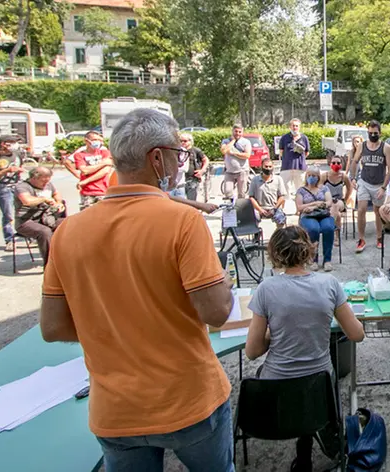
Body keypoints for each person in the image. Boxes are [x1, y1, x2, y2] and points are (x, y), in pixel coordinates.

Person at [39, 108, 235, 470]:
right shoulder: (183, 220)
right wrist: (221, 280)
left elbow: (52, 328)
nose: (181, 164)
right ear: (157, 158)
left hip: (115, 411)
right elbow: (217, 312)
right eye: (180, 155)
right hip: (188, 399)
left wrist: (116, 332)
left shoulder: (68, 231)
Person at [245, 226, 365, 471]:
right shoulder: (329, 284)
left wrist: (273, 332)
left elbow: (253, 350)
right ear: (309, 250)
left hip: (275, 390)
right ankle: (312, 442)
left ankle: (304, 455)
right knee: (310, 386)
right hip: (319, 390)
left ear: (275, 254)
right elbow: (357, 334)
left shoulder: (266, 289)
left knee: (290, 386)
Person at [350, 120, 390, 253]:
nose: (373, 135)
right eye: (370, 133)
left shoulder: (386, 148)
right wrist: (353, 177)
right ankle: (361, 239)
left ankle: (379, 237)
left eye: (375, 133)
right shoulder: (362, 146)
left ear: (380, 133)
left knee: (377, 211)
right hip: (364, 181)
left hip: (379, 183)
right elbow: (354, 161)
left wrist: (384, 187)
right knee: (361, 209)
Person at [14, 167, 66, 265]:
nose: (46, 184)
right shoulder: (22, 186)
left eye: (48, 180)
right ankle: (50, 264)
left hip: (46, 217)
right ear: (34, 178)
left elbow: (56, 193)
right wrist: (43, 199)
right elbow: (27, 201)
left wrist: (59, 202)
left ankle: (66, 258)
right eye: (43, 181)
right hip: (26, 221)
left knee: (67, 224)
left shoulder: (48, 185)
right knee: (44, 232)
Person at [296, 169, 336, 272]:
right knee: (313, 229)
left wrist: (314, 207)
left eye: (314, 175)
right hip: (308, 216)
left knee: (328, 228)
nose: (312, 177)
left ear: (318, 177)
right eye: (310, 175)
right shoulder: (301, 190)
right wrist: (315, 203)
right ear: (306, 176)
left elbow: (329, 202)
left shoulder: (324, 188)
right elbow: (299, 207)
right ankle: (313, 259)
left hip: (324, 214)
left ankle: (327, 260)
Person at [74, 131, 114, 210]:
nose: (98, 142)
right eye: (95, 139)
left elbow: (105, 171)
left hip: (103, 191)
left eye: (100, 140)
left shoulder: (105, 153)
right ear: (86, 141)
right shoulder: (79, 155)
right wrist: (103, 163)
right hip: (87, 192)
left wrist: (86, 181)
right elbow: (85, 170)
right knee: (87, 217)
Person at [0, 135, 24, 250]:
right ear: (3, 144)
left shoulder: (17, 154)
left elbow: (20, 166)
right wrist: (6, 170)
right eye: (11, 142)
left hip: (18, 185)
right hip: (4, 187)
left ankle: (29, 234)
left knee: (24, 210)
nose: (14, 145)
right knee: (8, 214)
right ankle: (9, 239)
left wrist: (19, 172)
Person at [248, 158, 287, 227]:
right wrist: (260, 209)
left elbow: (282, 196)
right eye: (266, 166)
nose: (268, 168)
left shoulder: (278, 179)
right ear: (261, 167)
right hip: (259, 208)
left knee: (281, 219)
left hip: (275, 208)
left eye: (270, 166)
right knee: (252, 219)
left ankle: (277, 235)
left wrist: (274, 209)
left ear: (273, 167)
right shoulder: (255, 180)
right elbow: (251, 197)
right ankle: (256, 234)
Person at [324, 154, 352, 245]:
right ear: (330, 164)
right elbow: (319, 189)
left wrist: (345, 199)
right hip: (327, 202)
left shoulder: (344, 177)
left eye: (338, 163)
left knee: (336, 205)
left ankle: (330, 229)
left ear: (341, 164)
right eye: (334, 162)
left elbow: (349, 188)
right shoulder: (325, 176)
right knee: (338, 215)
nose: (336, 164)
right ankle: (336, 235)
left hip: (339, 201)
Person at [277, 118, 310, 195]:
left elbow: (307, 153)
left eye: (296, 126)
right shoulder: (284, 138)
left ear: (299, 127)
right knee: (284, 191)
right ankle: (284, 206)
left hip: (300, 168)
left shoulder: (304, 138)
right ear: (290, 127)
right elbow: (281, 152)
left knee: (301, 190)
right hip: (286, 168)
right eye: (293, 126)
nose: (295, 127)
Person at [220, 124, 252, 199]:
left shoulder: (246, 142)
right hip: (229, 171)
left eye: (239, 132)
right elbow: (224, 151)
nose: (237, 133)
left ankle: (240, 208)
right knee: (227, 191)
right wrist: (233, 141)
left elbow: (247, 155)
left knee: (241, 193)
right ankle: (231, 206)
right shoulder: (226, 141)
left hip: (242, 171)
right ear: (232, 131)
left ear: (242, 132)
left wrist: (234, 153)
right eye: (236, 131)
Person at [180, 133, 209, 201]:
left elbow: (206, 160)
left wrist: (202, 171)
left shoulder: (195, 150)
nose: (182, 143)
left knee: (191, 200)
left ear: (190, 141)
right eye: (180, 141)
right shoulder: (179, 151)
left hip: (192, 179)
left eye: (185, 141)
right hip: (181, 180)